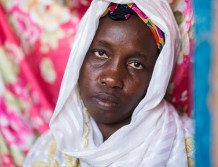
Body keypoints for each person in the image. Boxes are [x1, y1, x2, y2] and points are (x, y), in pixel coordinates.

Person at [24, 0, 194, 166]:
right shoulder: (49, 152)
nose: (112, 79)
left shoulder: (191, 146)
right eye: (100, 53)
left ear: (158, 77)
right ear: (79, 58)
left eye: (136, 64)